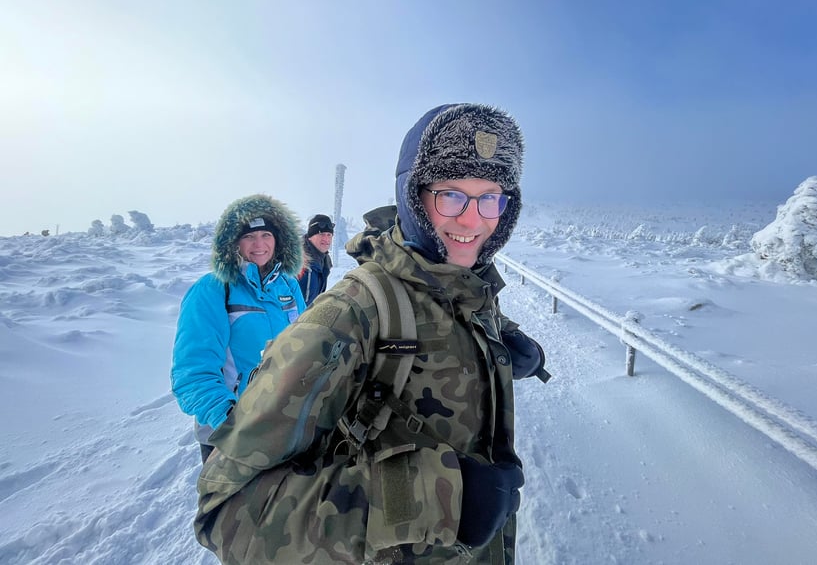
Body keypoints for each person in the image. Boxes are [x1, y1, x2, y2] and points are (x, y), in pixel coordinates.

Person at [194, 104, 550, 564]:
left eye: (491, 198)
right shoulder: (350, 316)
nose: (473, 220)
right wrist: (434, 502)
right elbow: (226, 512)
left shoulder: (467, 282)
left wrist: (511, 342)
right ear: (413, 196)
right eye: (451, 196)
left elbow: (460, 309)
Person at [170, 194, 306, 463]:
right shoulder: (214, 289)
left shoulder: (287, 286)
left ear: (278, 239)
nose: (259, 244)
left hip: (283, 423)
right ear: (233, 242)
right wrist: (232, 423)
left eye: (266, 234)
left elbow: (306, 345)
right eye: (249, 236)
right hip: (230, 432)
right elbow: (193, 371)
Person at [297, 213, 334, 305]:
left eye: (329, 235)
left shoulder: (323, 260)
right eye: (321, 234)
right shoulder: (298, 260)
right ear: (310, 236)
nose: (326, 239)